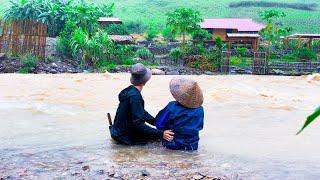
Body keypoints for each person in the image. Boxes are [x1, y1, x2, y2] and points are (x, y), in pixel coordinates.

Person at [110, 63, 174, 145]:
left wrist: (156, 122)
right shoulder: (135, 96)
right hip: (123, 136)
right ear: (145, 81)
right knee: (158, 142)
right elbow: (138, 124)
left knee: (157, 136)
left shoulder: (129, 90)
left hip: (117, 131)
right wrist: (161, 134)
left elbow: (141, 112)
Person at [155, 78, 204, 151]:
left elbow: (159, 123)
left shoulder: (172, 106)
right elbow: (200, 126)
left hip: (173, 143)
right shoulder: (200, 109)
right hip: (193, 145)